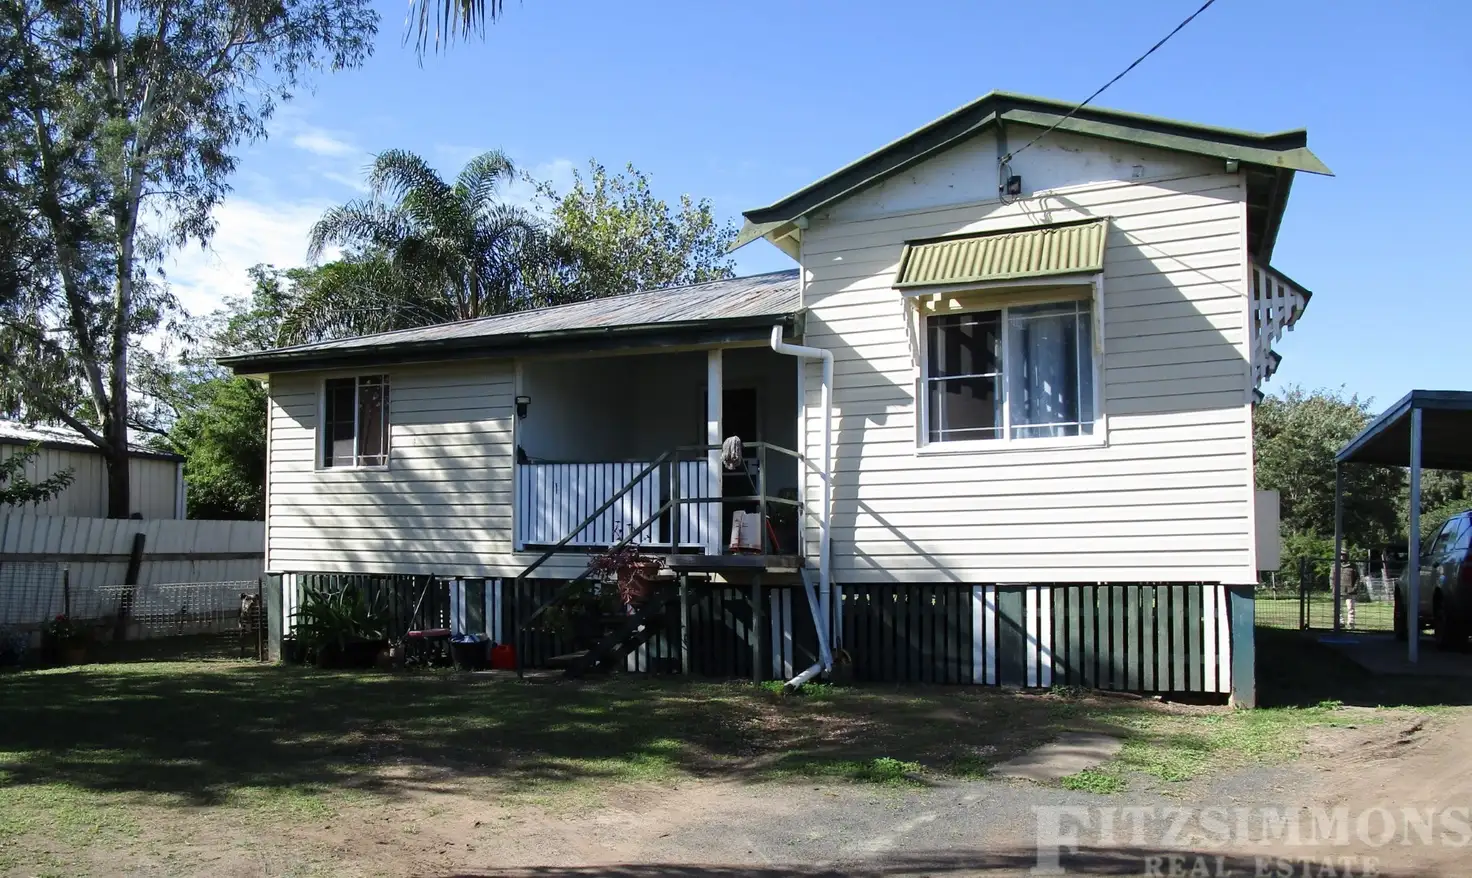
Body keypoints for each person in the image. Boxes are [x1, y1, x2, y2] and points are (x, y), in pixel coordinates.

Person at [1336, 552, 1360, 629]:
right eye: (1340, 555)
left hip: (1350, 591)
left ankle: (1351, 623)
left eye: (1343, 555)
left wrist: (1354, 588)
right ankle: (1340, 622)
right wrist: (1333, 588)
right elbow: (1332, 578)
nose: (1342, 557)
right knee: (1338, 608)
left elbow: (1357, 578)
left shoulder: (1353, 566)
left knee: (1350, 607)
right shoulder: (1336, 566)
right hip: (1339, 590)